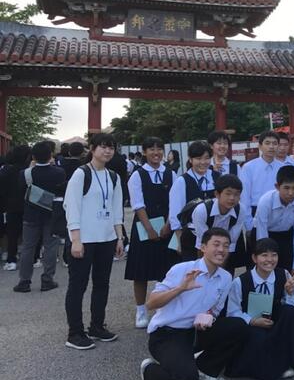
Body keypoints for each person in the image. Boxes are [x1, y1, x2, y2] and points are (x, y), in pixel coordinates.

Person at [140, 228, 248, 380]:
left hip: (196, 331)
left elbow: (215, 310)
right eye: (216, 244)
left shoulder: (226, 277)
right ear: (203, 247)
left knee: (238, 326)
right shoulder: (182, 269)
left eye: (226, 245)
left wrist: (208, 317)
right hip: (168, 334)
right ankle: (149, 370)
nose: (221, 249)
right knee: (186, 379)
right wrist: (181, 288)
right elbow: (151, 303)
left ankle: (205, 369)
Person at [63, 133, 124, 349]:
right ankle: (75, 333)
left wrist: (119, 237)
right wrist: (76, 240)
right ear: (92, 148)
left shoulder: (114, 177)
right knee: (77, 286)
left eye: (111, 147)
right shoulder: (81, 174)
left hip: (106, 238)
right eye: (103, 147)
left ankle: (97, 326)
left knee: (102, 284)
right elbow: (71, 207)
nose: (107, 151)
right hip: (84, 239)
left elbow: (117, 209)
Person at [226, 238, 294, 380]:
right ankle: (274, 367)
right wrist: (252, 321)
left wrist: (291, 292)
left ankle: (286, 361)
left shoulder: (283, 274)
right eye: (264, 255)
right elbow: (232, 312)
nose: (270, 260)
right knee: (259, 337)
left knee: (291, 312)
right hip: (252, 324)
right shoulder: (240, 281)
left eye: (274, 255)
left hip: (276, 322)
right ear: (254, 258)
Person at [125, 137, 176, 329]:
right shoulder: (137, 175)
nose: (156, 153)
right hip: (144, 227)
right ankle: (141, 310)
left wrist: (168, 225)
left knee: (167, 269)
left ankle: (163, 309)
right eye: (151, 149)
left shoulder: (171, 174)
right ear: (144, 152)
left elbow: (175, 201)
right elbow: (138, 204)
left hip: (167, 227)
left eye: (159, 149)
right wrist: (149, 229)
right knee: (141, 271)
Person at [13, 141, 66, 293]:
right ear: (51, 155)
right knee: (50, 246)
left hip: (30, 215)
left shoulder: (25, 173)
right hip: (51, 214)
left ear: (33, 156)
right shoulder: (59, 172)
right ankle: (47, 280)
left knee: (28, 248)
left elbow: (21, 192)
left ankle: (24, 281)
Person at [168, 141, 218, 261]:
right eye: (198, 158)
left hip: (215, 235)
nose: (203, 162)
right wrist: (179, 239)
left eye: (207, 158)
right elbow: (175, 214)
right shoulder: (182, 181)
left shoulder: (217, 177)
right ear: (190, 159)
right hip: (191, 237)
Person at [254, 164, 294, 275]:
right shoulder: (265, 201)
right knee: (263, 272)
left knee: (286, 273)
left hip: (286, 236)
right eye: (286, 188)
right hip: (264, 234)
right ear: (277, 186)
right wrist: (264, 261)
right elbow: (262, 234)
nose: (291, 193)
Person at [189, 174, 248, 272]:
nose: (232, 198)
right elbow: (202, 243)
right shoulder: (202, 211)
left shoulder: (241, 210)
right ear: (217, 194)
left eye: (236, 194)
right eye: (228, 193)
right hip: (194, 241)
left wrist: (220, 270)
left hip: (222, 245)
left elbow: (231, 242)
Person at [239, 131, 282, 225]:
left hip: (279, 211)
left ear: (278, 146)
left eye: (275, 143)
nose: (271, 146)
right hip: (255, 211)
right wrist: (248, 222)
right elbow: (244, 196)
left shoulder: (283, 168)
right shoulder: (248, 167)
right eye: (267, 143)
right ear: (260, 146)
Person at [0, 145, 31, 272]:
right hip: (28, 205)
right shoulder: (29, 171)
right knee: (29, 234)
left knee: (12, 233)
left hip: (11, 206)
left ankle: (11, 259)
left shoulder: (6, 171)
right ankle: (32, 258)